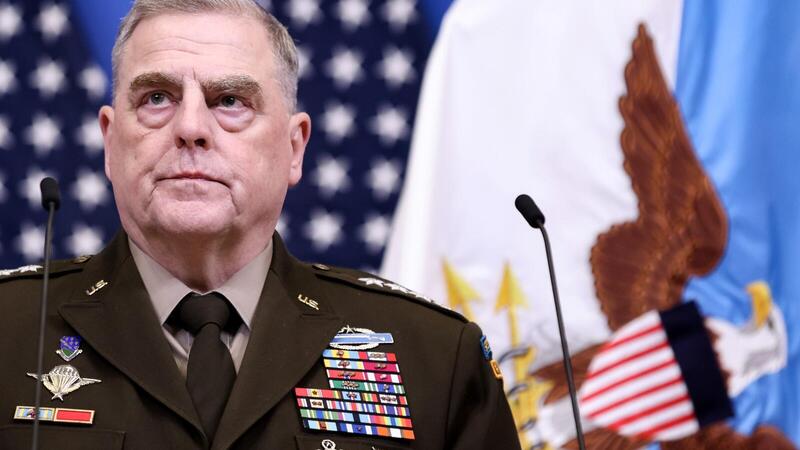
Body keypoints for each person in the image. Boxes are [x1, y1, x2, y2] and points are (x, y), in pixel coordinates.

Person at [0, 1, 520, 449]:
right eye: (157, 98)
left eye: (230, 101)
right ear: (110, 142)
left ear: (294, 148)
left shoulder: (432, 357)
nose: (190, 128)